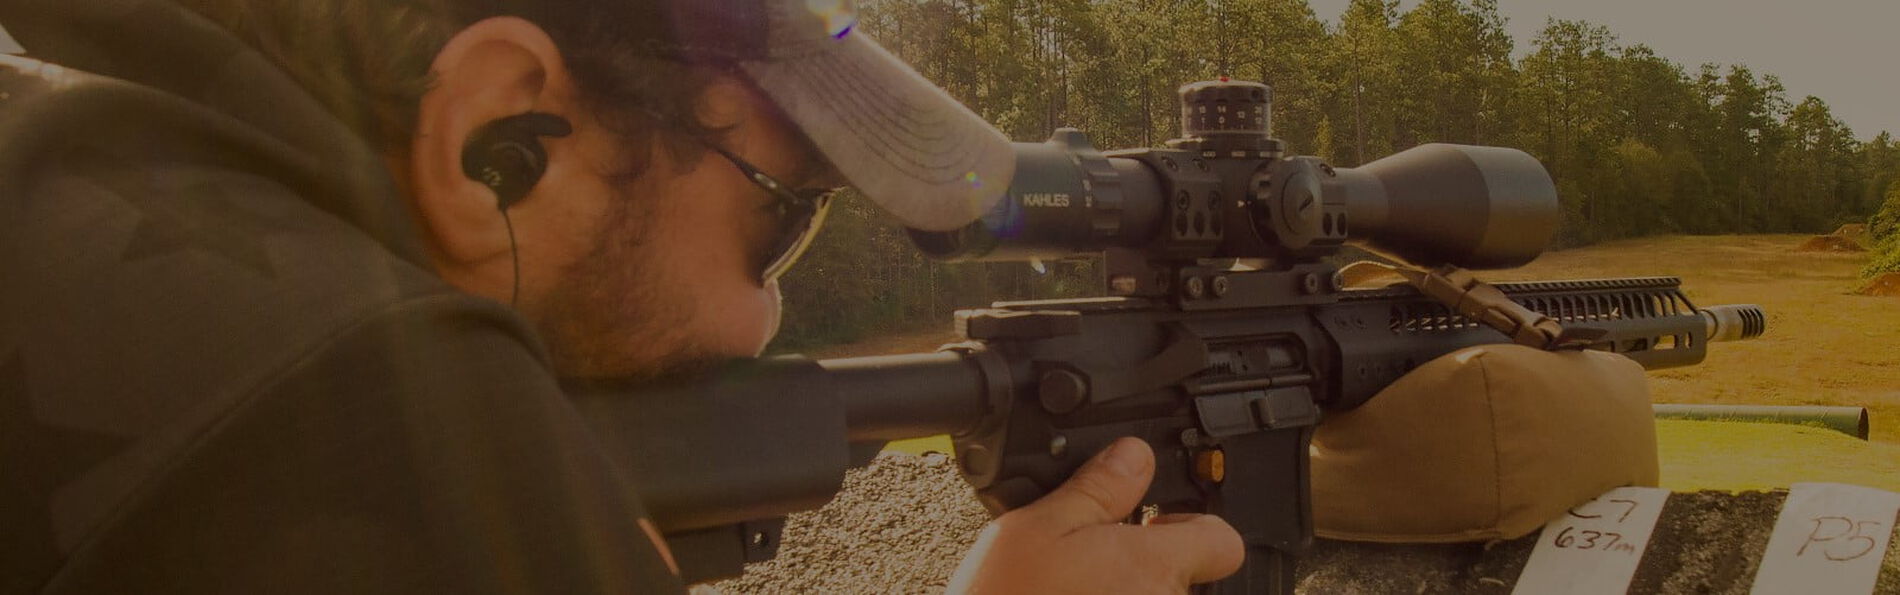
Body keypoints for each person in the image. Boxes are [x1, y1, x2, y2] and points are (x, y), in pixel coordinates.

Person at [0, 0, 1242, 593]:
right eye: (781, 210)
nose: (765, 319)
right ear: (506, 133)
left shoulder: (75, 157)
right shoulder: (356, 401)